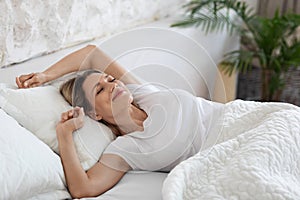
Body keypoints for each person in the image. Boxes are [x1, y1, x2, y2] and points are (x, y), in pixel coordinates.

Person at [16, 45, 223, 198]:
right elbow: (83, 189)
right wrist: (64, 134)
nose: (112, 86)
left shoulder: (142, 93)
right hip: (222, 152)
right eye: (100, 90)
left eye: (111, 80)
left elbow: (91, 54)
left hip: (235, 116)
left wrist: (45, 75)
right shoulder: (126, 149)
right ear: (95, 114)